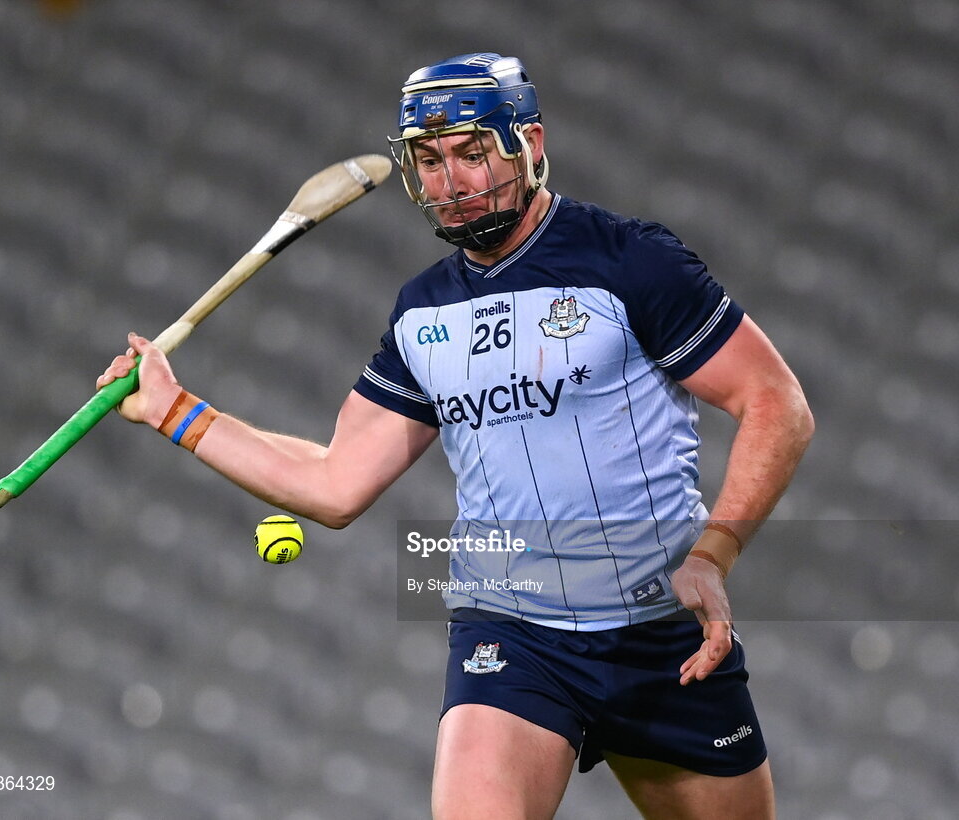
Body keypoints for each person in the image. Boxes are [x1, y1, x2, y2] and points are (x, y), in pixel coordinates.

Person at [98, 53, 813, 820]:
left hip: (661, 631)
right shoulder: (421, 314)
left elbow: (777, 403)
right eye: (431, 161)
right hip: (513, 632)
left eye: (474, 152)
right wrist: (175, 413)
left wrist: (715, 554)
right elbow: (336, 483)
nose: (452, 180)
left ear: (530, 143)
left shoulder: (628, 261)